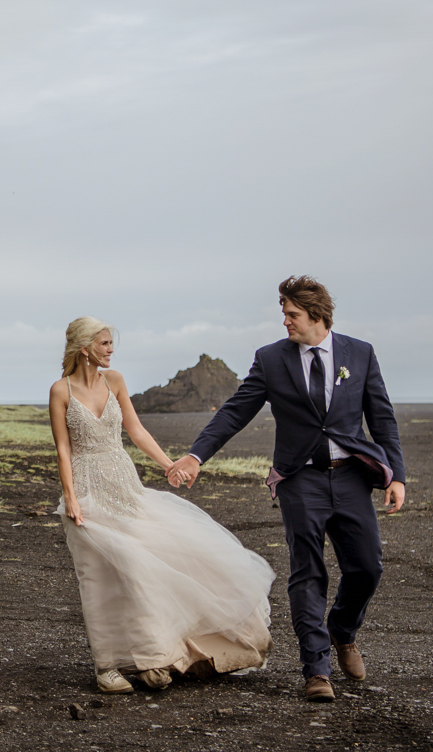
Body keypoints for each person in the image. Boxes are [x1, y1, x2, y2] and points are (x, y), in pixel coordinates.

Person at [168, 276, 406, 703]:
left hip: (351, 476)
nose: (285, 322)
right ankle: (317, 671)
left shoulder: (360, 354)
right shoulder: (272, 359)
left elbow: (382, 417)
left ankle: (343, 630)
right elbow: (234, 412)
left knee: (367, 567)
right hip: (300, 479)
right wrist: (195, 456)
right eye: (284, 313)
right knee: (307, 571)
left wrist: (398, 475)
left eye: (292, 314)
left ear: (317, 315)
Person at [50, 316, 274, 694]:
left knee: (142, 569)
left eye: (110, 343)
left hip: (124, 486)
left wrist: (169, 464)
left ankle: (156, 656)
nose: (110, 349)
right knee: (98, 578)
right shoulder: (61, 391)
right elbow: (62, 448)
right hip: (87, 490)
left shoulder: (115, 381)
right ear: (85, 347)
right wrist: (70, 498)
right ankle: (107, 667)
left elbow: (136, 431)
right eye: (104, 343)